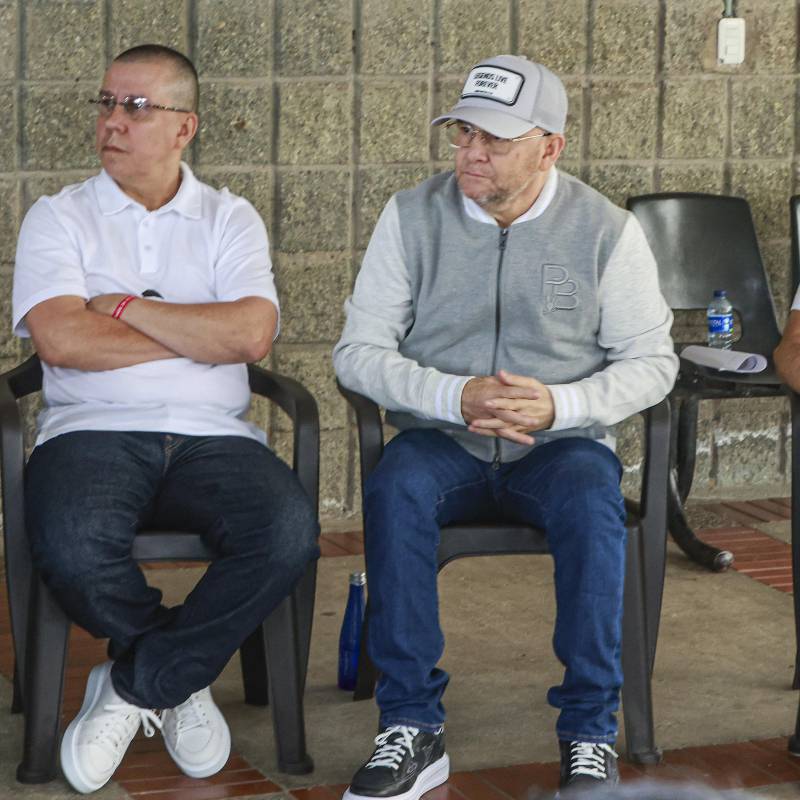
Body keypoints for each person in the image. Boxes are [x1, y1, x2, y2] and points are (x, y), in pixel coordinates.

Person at [333, 54, 678, 799]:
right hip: (440, 440)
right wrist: (452, 394)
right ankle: (412, 727)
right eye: (461, 134)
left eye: (494, 139)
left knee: (593, 502)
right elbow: (357, 355)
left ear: (550, 147)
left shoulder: (605, 230)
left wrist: (565, 407)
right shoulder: (410, 215)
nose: (470, 153)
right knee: (396, 486)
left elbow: (653, 364)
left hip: (559, 450)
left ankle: (589, 733)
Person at [12, 44, 319, 794]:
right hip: (90, 432)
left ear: (185, 128)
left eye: (136, 107)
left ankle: (134, 683)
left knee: (286, 533)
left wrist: (121, 306)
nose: (112, 122)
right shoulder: (59, 217)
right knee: (74, 545)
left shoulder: (228, 219)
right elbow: (60, 339)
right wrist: (191, 335)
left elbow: (248, 337)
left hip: (215, 439)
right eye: (107, 103)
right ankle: (176, 679)